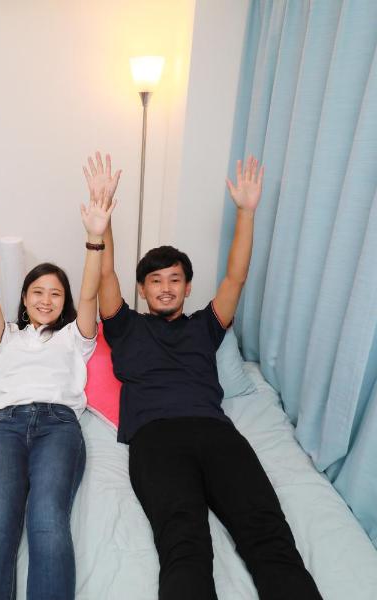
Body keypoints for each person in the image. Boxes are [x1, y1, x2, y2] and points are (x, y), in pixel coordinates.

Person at [86, 152, 322, 600]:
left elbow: (235, 278)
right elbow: (106, 273)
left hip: (216, 433)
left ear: (188, 287)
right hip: (155, 438)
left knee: (268, 535)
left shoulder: (205, 326)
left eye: (175, 280)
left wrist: (246, 212)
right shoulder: (124, 325)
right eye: (156, 281)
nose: (166, 288)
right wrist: (103, 214)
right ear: (143, 290)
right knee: (184, 543)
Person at [0, 185, 116, 600]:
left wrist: (94, 237)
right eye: (38, 292)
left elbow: (90, 292)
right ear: (24, 299)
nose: (46, 299)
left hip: (58, 427)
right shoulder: (7, 336)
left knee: (47, 521)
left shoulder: (76, 337)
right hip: (4, 427)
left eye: (56, 293)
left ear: (64, 303)